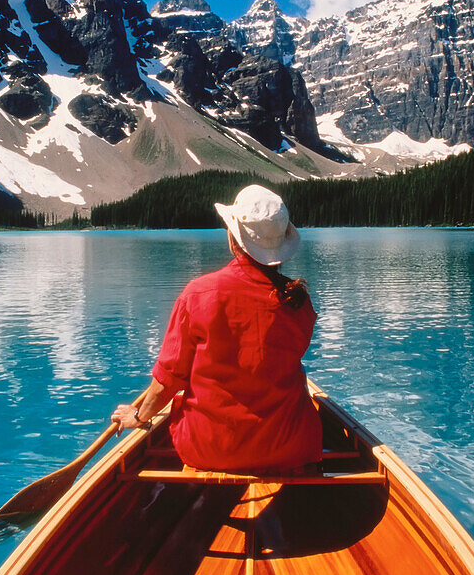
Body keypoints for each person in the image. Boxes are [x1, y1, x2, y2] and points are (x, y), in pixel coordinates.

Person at [111, 184, 322, 473]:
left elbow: (168, 380)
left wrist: (139, 416)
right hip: (288, 447)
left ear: (234, 240)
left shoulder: (199, 294)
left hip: (210, 450)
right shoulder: (298, 301)